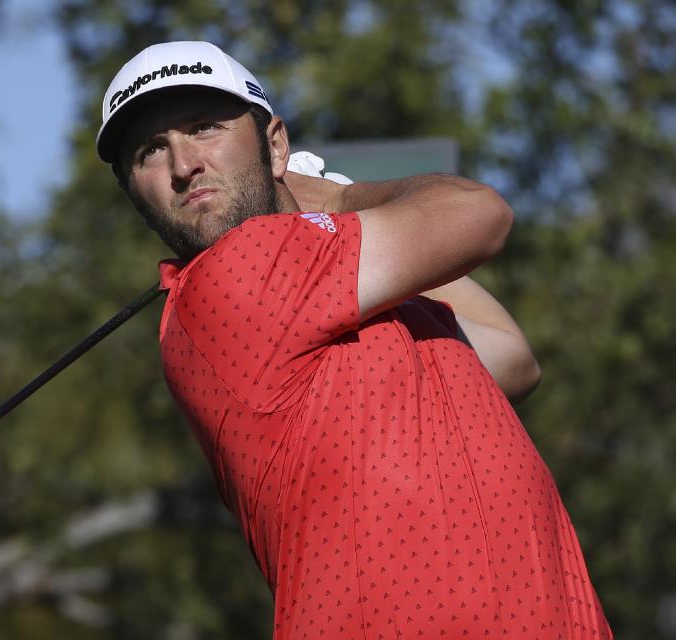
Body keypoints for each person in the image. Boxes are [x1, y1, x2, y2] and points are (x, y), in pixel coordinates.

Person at [96, 41, 612, 639]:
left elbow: (510, 356)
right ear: (134, 193)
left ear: (274, 145)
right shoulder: (232, 276)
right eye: (150, 151)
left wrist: (334, 222)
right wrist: (339, 198)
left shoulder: (340, 306)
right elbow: (479, 213)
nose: (183, 165)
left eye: (204, 127)